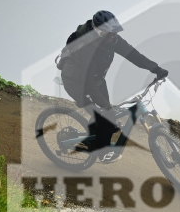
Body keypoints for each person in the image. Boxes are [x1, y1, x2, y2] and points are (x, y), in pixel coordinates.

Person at [57, 10, 168, 163]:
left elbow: (133, 55)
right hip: (77, 84)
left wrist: (156, 69)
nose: (111, 37)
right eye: (107, 33)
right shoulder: (87, 48)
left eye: (114, 33)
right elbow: (88, 83)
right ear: (97, 31)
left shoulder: (112, 39)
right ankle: (102, 152)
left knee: (107, 114)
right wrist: (105, 108)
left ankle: (98, 132)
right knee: (106, 114)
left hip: (96, 80)